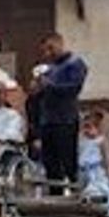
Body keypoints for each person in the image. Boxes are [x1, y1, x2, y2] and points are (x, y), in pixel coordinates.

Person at [31, 33, 88, 190]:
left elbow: (73, 89)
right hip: (47, 121)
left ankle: (76, 194)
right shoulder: (49, 68)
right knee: (50, 164)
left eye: (51, 48)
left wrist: (47, 85)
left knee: (68, 161)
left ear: (60, 43)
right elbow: (41, 96)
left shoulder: (75, 63)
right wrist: (36, 90)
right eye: (45, 51)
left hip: (65, 120)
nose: (48, 53)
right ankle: (56, 198)